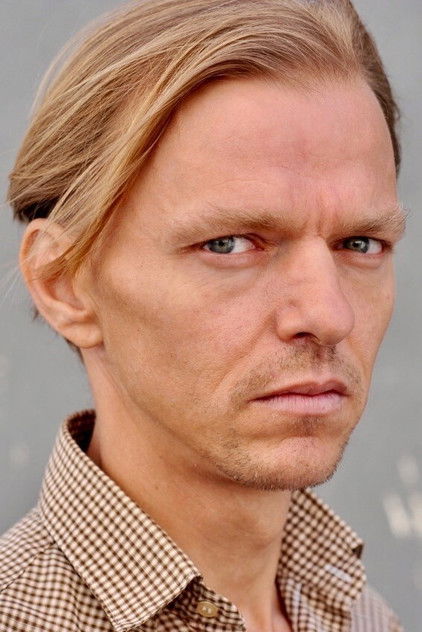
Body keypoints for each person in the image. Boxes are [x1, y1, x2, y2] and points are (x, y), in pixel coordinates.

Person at [0, 0, 407, 630]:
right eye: (230, 244)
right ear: (64, 284)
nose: (329, 314)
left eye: (360, 243)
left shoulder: (361, 614)